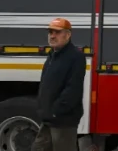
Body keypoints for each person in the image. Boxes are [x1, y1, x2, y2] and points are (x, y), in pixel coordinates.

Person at [35, 17, 86, 151]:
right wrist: (43, 110)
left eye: (57, 32)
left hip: (63, 121)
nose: (52, 36)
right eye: (51, 32)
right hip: (48, 119)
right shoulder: (52, 55)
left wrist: (56, 111)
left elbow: (73, 89)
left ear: (68, 35)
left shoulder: (76, 57)